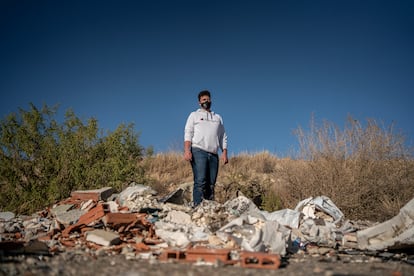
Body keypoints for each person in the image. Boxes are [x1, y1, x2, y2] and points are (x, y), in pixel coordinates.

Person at [184, 90, 228, 207]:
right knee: (200, 181)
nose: (206, 101)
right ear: (199, 102)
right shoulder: (194, 115)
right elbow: (188, 132)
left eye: (208, 99)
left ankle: (209, 207)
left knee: (211, 183)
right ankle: (197, 206)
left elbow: (222, 135)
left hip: (213, 153)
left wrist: (224, 152)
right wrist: (187, 150)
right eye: (204, 100)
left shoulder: (217, 117)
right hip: (198, 150)